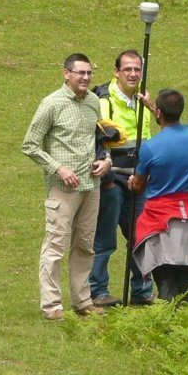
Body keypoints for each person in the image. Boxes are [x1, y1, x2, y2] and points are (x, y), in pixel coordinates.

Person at [22, 53, 111, 320]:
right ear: (66, 74)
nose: (85, 78)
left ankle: (83, 301)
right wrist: (58, 169)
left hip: (90, 185)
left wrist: (106, 161)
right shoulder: (51, 104)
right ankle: (51, 306)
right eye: (80, 73)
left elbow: (100, 140)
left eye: (89, 73)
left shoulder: (94, 102)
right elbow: (29, 145)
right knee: (55, 246)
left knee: (85, 245)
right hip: (62, 189)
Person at [128, 89, 188, 306]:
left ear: (159, 112)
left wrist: (132, 182)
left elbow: (138, 185)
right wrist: (152, 106)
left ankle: (167, 330)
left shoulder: (150, 148)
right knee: (186, 279)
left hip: (161, 220)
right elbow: (168, 119)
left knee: (166, 280)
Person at [88, 50, 155, 307]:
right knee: (105, 239)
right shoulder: (105, 99)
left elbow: (151, 132)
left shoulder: (142, 100)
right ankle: (98, 291)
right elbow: (100, 132)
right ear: (116, 71)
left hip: (138, 179)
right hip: (112, 178)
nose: (133, 74)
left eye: (137, 69)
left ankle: (141, 289)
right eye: (127, 69)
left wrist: (151, 106)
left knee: (141, 236)